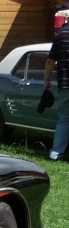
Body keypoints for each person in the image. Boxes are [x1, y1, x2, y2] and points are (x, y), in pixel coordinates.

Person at [43, 18, 69, 160]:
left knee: (64, 119)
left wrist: (46, 79)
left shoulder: (61, 34)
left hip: (65, 84)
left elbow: (50, 61)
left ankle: (56, 153)